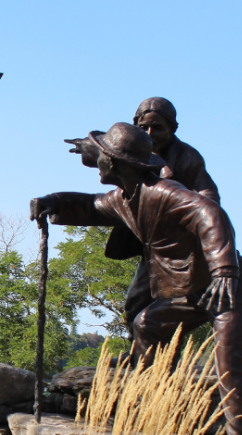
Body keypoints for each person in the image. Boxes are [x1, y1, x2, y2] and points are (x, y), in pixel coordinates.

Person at [31, 123, 242, 435]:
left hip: (225, 286)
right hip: (188, 290)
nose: (97, 165)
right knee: (145, 325)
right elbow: (91, 206)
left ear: (115, 162)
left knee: (231, 368)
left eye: (102, 157)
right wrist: (53, 202)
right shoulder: (126, 197)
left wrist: (224, 270)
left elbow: (210, 214)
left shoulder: (164, 191)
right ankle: (153, 412)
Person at [67, 97, 221, 340]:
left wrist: (194, 213)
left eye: (158, 128)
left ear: (173, 129)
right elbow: (109, 152)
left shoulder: (187, 157)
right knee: (136, 303)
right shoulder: (134, 148)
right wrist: (86, 148)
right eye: (143, 127)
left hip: (177, 245)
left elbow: (209, 196)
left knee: (175, 304)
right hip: (149, 240)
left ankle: (162, 360)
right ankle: (139, 355)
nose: (150, 133)